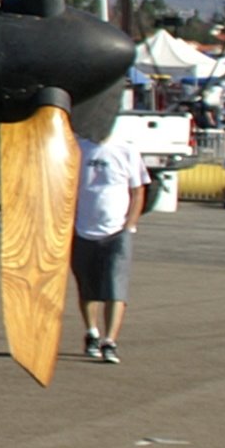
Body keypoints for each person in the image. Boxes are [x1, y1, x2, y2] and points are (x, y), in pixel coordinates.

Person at [72, 128, 149, 363]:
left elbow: (138, 190)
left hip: (117, 230)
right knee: (88, 287)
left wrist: (130, 224)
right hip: (83, 228)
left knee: (116, 287)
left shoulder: (126, 149)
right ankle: (92, 332)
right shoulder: (79, 147)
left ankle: (110, 340)